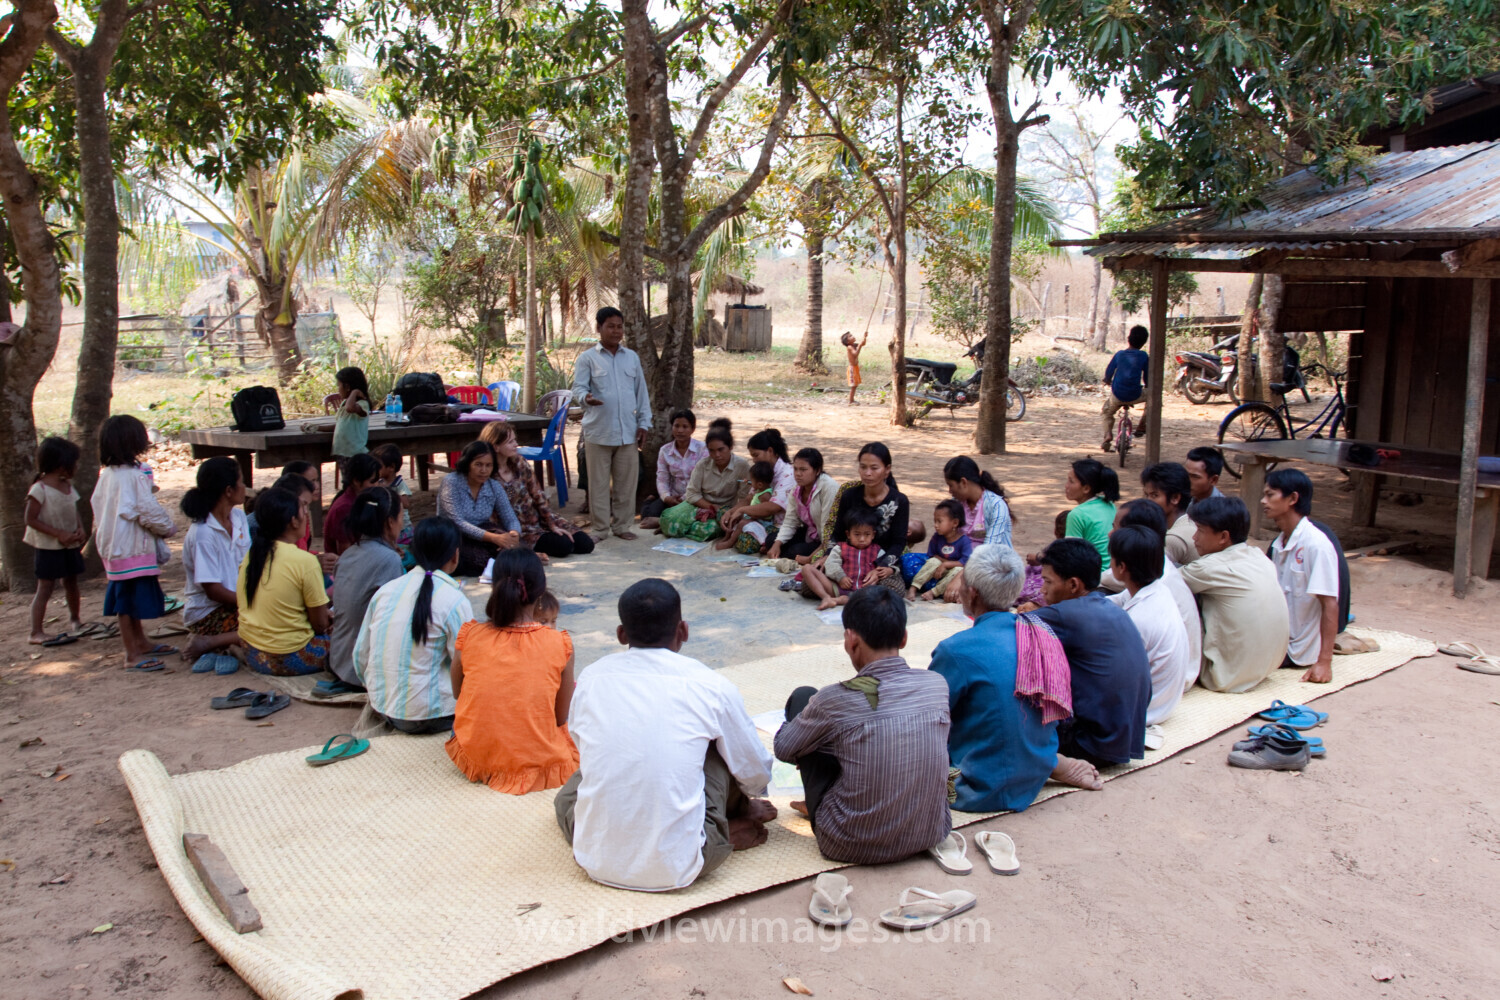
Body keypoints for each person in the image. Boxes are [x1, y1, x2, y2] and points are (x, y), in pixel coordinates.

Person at [555, 579, 776, 891]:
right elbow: (754, 771)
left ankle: (628, 834)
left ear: (621, 635)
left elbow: (583, 746)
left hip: (594, 856)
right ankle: (723, 830)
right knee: (718, 746)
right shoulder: (710, 686)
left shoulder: (592, 677)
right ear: (683, 630)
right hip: (679, 864)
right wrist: (748, 796)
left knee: (571, 792)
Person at [773, 587, 951, 863]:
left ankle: (822, 799)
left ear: (850, 640)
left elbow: (783, 749)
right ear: (903, 638)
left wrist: (816, 738)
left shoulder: (832, 699)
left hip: (848, 842)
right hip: (929, 831)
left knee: (803, 698)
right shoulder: (936, 685)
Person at [930, 544, 1091, 805]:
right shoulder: (1043, 635)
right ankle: (1047, 761)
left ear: (972, 594)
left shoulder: (955, 650)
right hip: (1034, 777)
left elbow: (930, 719)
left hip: (972, 786)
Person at [446, 548, 577, 791]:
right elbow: (560, 717)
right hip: (537, 758)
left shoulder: (470, 634)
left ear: (493, 585)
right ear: (541, 592)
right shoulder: (560, 643)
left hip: (476, 752)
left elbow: (457, 693)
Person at [1028, 538, 1152, 769]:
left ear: (1073, 585)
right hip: (1127, 740)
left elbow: (1004, 630)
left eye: (1047, 581)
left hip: (1091, 745)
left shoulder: (1065, 614)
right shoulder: (1113, 609)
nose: (1042, 590)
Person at [354, 516, 474, 733]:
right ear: (455, 555)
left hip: (383, 707)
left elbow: (360, 656)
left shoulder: (385, 591)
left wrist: (381, 693)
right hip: (433, 715)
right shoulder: (454, 600)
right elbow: (468, 667)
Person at [93, 415, 178, 672]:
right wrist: (168, 528)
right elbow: (147, 510)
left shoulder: (107, 475)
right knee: (127, 603)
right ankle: (131, 653)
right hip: (130, 549)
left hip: (115, 548)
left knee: (128, 599)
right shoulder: (131, 477)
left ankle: (140, 642)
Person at [1180, 496, 1289, 692]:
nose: (1194, 538)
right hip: (1270, 665)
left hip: (1224, 675)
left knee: (1176, 597)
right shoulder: (1259, 557)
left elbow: (1162, 581)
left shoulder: (1208, 568)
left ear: (1223, 537)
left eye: (1200, 531)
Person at [572, 306, 652, 540]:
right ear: (599, 328)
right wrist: (585, 397)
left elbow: (641, 394)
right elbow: (578, 388)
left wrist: (644, 424)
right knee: (598, 484)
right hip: (598, 430)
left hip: (628, 431)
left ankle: (622, 526)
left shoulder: (632, 358)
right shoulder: (587, 358)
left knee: (626, 484)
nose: (616, 331)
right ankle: (599, 529)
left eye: (619, 326)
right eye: (611, 326)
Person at [237, 487, 331, 675]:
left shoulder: (253, 554)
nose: (306, 516)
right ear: (293, 521)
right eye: (303, 511)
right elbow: (320, 625)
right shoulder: (305, 561)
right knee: (352, 640)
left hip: (253, 653)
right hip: (289, 656)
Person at [1107, 525, 1194, 726]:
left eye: (1112, 559)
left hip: (1146, 711)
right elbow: (1116, 600)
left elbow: (1115, 677)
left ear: (1121, 568)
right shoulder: (1156, 590)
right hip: (1165, 702)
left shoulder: (1137, 620)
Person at [1107, 499, 1203, 678]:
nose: (1110, 534)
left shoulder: (1155, 588)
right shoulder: (1154, 572)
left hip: (1176, 678)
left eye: (1117, 529)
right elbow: (1120, 598)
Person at [1263, 468, 1340, 684]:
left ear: (1292, 498)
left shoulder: (1316, 545)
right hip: (1276, 635)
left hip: (1297, 648)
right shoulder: (1279, 543)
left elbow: (1330, 603)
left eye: (1270, 495)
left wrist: (1324, 662)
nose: (1263, 501)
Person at [482, 421, 596, 559]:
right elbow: (493, 513)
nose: (515, 444)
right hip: (520, 530)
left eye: (515, 440)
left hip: (538, 518)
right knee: (564, 546)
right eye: (510, 442)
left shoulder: (519, 463)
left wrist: (551, 523)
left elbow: (538, 495)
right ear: (496, 447)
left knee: (586, 544)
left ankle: (550, 533)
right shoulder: (486, 474)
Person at [327, 487, 405, 686]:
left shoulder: (349, 554)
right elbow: (394, 620)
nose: (403, 523)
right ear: (389, 522)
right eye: (401, 516)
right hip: (361, 670)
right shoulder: (389, 560)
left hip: (339, 660)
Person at [179, 457, 251, 665]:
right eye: (241, 481)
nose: (244, 487)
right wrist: (252, 603)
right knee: (272, 625)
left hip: (237, 602)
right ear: (229, 490)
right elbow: (213, 590)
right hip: (209, 611)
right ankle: (210, 641)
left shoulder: (238, 518)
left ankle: (226, 641)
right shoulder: (203, 533)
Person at [823, 443, 910, 594]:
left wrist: (880, 569)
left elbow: (898, 542)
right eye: (863, 467)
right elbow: (837, 533)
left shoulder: (899, 501)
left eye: (874, 468)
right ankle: (858, 593)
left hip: (880, 562)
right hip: (847, 562)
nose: (867, 473)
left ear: (887, 470)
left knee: (894, 589)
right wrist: (828, 556)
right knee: (808, 583)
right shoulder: (849, 495)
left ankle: (849, 595)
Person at [26, 437, 86, 645]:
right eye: (74, 463)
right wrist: (58, 533)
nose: (76, 467)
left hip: (69, 544)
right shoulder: (39, 490)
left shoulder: (67, 486)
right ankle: (36, 632)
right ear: (61, 464)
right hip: (48, 546)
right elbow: (30, 519)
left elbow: (73, 509)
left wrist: (79, 528)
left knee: (71, 581)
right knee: (45, 587)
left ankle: (76, 619)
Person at [437, 440, 521, 576]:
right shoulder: (452, 482)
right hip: (454, 535)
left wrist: (514, 534)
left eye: (488, 465)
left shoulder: (493, 486)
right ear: (467, 464)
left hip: (483, 534)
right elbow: (458, 522)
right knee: (479, 560)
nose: (484, 470)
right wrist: (494, 538)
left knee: (514, 548)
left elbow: (510, 517)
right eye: (478, 465)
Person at [665, 418, 749, 537]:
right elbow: (692, 494)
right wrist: (711, 507)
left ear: (730, 447)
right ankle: (679, 525)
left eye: (721, 450)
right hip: (699, 505)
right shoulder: (703, 464)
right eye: (712, 451)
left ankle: (686, 527)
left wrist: (727, 512)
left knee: (709, 529)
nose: (717, 455)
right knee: (669, 520)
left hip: (726, 510)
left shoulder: (742, 466)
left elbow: (745, 498)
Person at [720, 428, 796, 548]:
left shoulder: (788, 474)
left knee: (745, 543)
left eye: (756, 455)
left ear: (770, 451)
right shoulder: (760, 471)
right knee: (724, 515)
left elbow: (773, 507)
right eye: (752, 457)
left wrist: (742, 510)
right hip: (757, 519)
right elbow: (749, 498)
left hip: (778, 525)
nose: (754, 460)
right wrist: (731, 512)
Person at [803, 508, 884, 610]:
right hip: (838, 588)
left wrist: (876, 572)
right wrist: (840, 577)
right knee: (807, 568)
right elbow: (830, 563)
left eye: (867, 534)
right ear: (848, 534)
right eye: (857, 534)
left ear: (873, 535)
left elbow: (887, 566)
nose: (862, 539)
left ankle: (839, 600)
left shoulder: (877, 550)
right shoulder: (840, 547)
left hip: (866, 591)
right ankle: (826, 597)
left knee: (881, 594)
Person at [640, 408, 707, 530]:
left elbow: (702, 480)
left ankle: (664, 520)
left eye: (685, 427)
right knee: (647, 515)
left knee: (698, 517)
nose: (680, 430)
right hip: (673, 497)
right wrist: (666, 497)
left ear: (693, 429)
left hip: (695, 498)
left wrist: (683, 499)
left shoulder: (702, 449)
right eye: (676, 426)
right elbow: (662, 478)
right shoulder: (665, 451)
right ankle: (653, 504)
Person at [768, 448, 837, 563]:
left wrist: (813, 556)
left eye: (803, 470)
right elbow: (790, 521)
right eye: (795, 469)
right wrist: (777, 544)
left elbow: (829, 531)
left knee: (795, 551)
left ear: (817, 470)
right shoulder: (796, 490)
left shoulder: (828, 488)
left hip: (828, 540)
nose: (798, 474)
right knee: (771, 540)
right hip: (811, 534)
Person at [907, 500, 973, 601]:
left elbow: (965, 563)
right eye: (935, 521)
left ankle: (933, 592)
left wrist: (946, 564)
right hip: (937, 571)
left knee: (958, 570)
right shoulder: (937, 537)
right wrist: (941, 563)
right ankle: (914, 587)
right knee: (933, 561)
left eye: (939, 521)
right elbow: (932, 555)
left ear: (955, 523)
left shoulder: (964, 541)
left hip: (952, 573)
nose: (935, 525)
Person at [943, 455, 1012, 549]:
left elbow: (990, 547)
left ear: (963, 482)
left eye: (951, 485)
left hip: (991, 560)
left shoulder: (996, 506)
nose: (950, 491)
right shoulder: (955, 504)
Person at [1062, 458, 1120, 567]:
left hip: (1096, 577)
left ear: (1086, 488)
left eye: (1071, 481)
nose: (1066, 485)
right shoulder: (1109, 504)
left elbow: (1072, 556)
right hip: (1113, 571)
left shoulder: (1077, 515)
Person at [322, 452, 383, 556]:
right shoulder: (344, 508)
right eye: (372, 482)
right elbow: (346, 553)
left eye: (378, 481)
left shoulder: (362, 499)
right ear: (356, 481)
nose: (377, 486)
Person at [1139, 462, 1198, 565]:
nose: (1147, 502)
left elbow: (1144, 572)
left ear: (1175, 498)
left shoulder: (1174, 538)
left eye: (1154, 495)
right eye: (1146, 495)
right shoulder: (1190, 522)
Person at [1101, 324, 1149, 451]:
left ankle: (1107, 434)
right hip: (1136, 395)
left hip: (1117, 395)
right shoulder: (1143, 356)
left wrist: (1107, 380)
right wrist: (1148, 386)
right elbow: (1147, 376)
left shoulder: (1119, 355)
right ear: (1144, 342)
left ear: (1128, 338)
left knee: (1107, 412)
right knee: (1154, 399)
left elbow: (1108, 372)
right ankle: (1142, 426)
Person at [716, 461, 777, 553]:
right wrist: (749, 482)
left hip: (762, 521)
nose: (750, 483)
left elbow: (765, 514)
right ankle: (727, 536)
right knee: (734, 518)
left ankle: (730, 542)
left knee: (742, 523)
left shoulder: (765, 495)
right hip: (752, 517)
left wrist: (751, 515)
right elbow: (752, 490)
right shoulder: (759, 488)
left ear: (759, 484)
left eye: (751, 480)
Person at [371, 443, 414, 546]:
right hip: (387, 526)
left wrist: (390, 492)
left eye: (379, 466)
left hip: (403, 527)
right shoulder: (379, 482)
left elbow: (406, 503)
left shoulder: (399, 484)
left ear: (391, 467)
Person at [330, 365, 371, 464]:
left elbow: (350, 408)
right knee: (347, 479)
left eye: (339, 385)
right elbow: (338, 425)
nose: (338, 388)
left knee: (356, 479)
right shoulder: (344, 404)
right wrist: (316, 428)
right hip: (343, 453)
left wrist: (355, 392)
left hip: (356, 454)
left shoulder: (362, 404)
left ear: (347, 387)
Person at [1184, 446, 1226, 512]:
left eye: (1195, 477)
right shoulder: (1189, 498)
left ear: (1213, 480)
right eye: (1186, 474)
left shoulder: (1221, 512)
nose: (1187, 481)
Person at [841, 330, 868, 405]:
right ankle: (851, 400)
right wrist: (859, 346)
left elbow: (863, 344)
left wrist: (865, 337)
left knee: (855, 385)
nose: (853, 336)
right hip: (852, 368)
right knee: (854, 385)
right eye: (850, 336)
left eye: (852, 335)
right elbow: (855, 354)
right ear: (847, 342)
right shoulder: (850, 347)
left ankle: (852, 400)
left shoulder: (853, 345)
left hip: (855, 367)